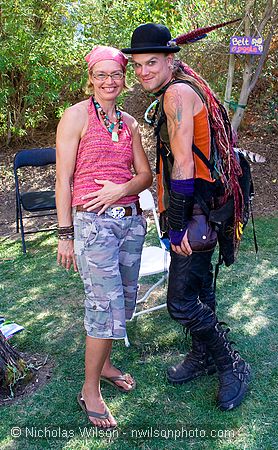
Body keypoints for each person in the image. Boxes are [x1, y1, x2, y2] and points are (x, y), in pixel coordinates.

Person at [120, 23, 251, 411]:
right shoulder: (183, 85)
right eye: (138, 65)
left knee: (179, 302)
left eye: (151, 63)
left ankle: (231, 363)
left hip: (195, 210)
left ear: (170, 60)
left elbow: (182, 164)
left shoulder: (176, 93)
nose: (143, 72)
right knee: (200, 290)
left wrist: (177, 224)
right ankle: (203, 355)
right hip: (204, 206)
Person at [56, 45, 152, 429]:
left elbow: (144, 176)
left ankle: (107, 363)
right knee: (102, 306)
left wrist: (121, 188)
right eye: (102, 75)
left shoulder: (129, 123)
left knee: (124, 302)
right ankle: (90, 389)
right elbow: (62, 179)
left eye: (116, 75)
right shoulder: (75, 116)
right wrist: (65, 234)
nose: (109, 81)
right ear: (90, 78)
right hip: (93, 226)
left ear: (124, 79)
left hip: (129, 222)